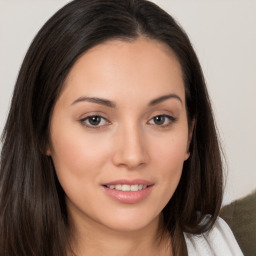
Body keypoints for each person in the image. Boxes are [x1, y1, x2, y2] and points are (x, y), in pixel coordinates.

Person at [0, 0, 243, 255]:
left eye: (160, 119)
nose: (133, 156)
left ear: (190, 133)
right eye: (95, 120)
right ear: (42, 133)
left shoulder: (231, 241)